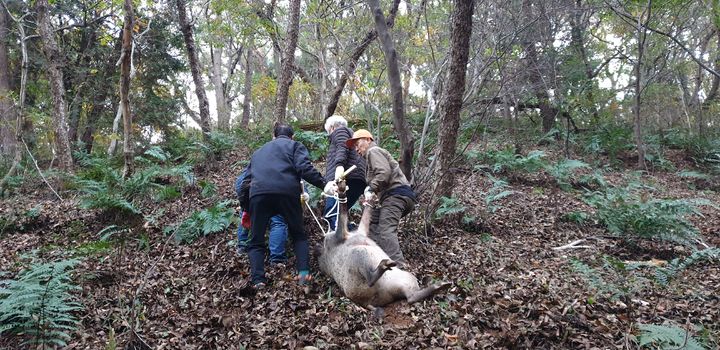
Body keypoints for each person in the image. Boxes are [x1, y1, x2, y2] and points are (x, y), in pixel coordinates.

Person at [239, 123, 326, 288]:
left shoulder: (258, 152)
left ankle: (258, 280)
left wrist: (246, 208)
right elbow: (304, 168)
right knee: (298, 235)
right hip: (287, 193)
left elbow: (246, 182)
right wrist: (324, 184)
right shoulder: (295, 146)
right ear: (292, 137)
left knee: (256, 240)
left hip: (259, 194)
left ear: (273, 136)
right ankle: (303, 274)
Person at [345, 129, 416, 267]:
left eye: (357, 143)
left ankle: (399, 268)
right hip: (398, 196)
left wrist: (371, 188)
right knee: (371, 221)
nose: (356, 149)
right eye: (353, 147)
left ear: (368, 140)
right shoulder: (372, 156)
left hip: (396, 195)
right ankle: (376, 257)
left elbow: (384, 173)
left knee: (386, 230)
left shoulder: (373, 151)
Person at [322, 115, 367, 231]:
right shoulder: (351, 136)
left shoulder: (340, 131)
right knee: (341, 213)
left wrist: (339, 168)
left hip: (346, 178)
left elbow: (342, 148)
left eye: (328, 132)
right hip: (356, 180)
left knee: (332, 213)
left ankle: (345, 244)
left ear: (332, 127)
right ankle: (354, 239)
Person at [234, 170, 288, 265]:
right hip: (269, 187)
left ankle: (242, 245)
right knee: (277, 220)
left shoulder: (259, 157)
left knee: (247, 213)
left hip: (246, 182)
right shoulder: (287, 161)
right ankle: (277, 259)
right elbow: (297, 181)